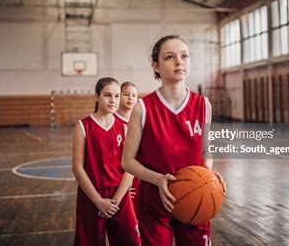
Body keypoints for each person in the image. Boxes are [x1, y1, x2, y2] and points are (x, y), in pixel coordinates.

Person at [122, 35, 226, 246]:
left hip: (196, 195)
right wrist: (158, 179)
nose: (179, 61)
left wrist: (209, 175)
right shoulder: (143, 108)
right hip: (155, 200)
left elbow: (206, 151)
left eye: (184, 56)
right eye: (170, 57)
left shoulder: (203, 104)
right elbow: (127, 161)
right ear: (156, 66)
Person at [72, 77, 140, 246]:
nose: (113, 100)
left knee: (130, 240)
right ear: (97, 97)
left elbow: (130, 167)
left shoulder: (124, 128)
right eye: (107, 95)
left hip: (120, 196)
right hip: (91, 195)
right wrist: (98, 201)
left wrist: (116, 201)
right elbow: (77, 168)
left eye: (117, 96)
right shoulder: (83, 126)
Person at [115, 82, 139, 202]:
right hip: (118, 182)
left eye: (134, 95)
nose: (130, 98)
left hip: (138, 180)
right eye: (126, 94)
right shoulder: (112, 122)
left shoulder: (140, 122)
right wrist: (122, 188)